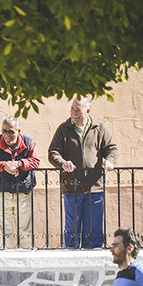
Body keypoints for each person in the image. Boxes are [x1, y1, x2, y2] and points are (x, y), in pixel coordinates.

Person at [48, 96, 118, 249]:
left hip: (95, 187)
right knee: (72, 229)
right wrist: (62, 163)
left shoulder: (99, 128)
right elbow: (53, 152)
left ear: (88, 110)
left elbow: (111, 148)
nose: (74, 113)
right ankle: (71, 259)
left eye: (78, 110)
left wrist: (111, 161)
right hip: (72, 186)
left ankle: (94, 260)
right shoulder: (63, 129)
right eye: (72, 109)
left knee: (94, 230)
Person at [0, 116, 40, 248]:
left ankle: (27, 260)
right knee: (5, 232)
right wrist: (5, 165)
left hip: (23, 193)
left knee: (25, 231)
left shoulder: (29, 142)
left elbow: (35, 161)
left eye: (11, 131)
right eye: (4, 131)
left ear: (18, 130)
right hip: (2, 194)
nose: (7, 135)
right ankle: (6, 261)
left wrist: (19, 164)